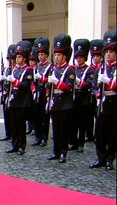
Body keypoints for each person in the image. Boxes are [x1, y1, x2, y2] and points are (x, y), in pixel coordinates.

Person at [90, 29, 117, 170]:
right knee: (100, 133)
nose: (108, 54)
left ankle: (110, 158)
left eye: (111, 52)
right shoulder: (100, 68)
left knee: (112, 134)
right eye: (107, 52)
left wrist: (109, 82)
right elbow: (93, 85)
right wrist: (97, 94)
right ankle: (100, 157)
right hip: (102, 104)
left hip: (114, 104)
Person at [47, 34, 75, 163]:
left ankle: (64, 152)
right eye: (55, 54)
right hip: (55, 102)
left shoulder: (70, 69)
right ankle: (56, 151)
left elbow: (68, 86)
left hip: (65, 103)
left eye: (59, 55)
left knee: (64, 130)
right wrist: (48, 97)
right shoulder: (53, 68)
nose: (56, 57)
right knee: (56, 129)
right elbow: (48, 86)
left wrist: (56, 82)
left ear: (64, 56)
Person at [5, 40, 33, 155]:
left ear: (24, 58)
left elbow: (26, 85)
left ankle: (22, 145)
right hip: (14, 100)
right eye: (16, 57)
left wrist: (15, 82)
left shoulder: (28, 69)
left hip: (22, 100)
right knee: (14, 123)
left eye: (20, 57)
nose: (17, 59)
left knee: (21, 124)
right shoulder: (15, 69)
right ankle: (14, 144)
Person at [69, 39, 95, 152]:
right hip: (74, 98)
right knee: (73, 122)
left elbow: (89, 83)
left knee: (82, 123)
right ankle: (73, 142)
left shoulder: (90, 69)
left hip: (83, 98)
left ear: (85, 57)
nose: (79, 59)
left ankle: (81, 143)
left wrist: (79, 81)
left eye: (81, 57)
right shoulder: (73, 68)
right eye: (77, 57)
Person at [32, 37, 52, 147]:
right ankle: (38, 137)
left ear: (46, 55)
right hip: (37, 93)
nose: (40, 57)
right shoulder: (36, 67)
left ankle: (44, 138)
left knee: (45, 118)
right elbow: (32, 82)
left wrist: (43, 79)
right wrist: (33, 90)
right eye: (39, 55)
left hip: (45, 93)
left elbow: (50, 81)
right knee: (37, 117)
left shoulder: (50, 67)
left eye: (42, 55)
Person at [87, 39, 105, 142]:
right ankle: (90, 135)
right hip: (92, 95)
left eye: (97, 56)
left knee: (99, 118)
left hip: (101, 96)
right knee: (90, 116)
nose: (95, 58)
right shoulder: (90, 68)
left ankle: (99, 135)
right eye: (94, 56)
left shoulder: (102, 68)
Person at [0, 44, 17, 141]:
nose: (11, 60)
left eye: (12, 58)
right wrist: (1, 89)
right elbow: (2, 82)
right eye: (9, 58)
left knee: (13, 117)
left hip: (13, 95)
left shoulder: (16, 69)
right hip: (6, 94)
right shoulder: (7, 69)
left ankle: (14, 135)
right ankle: (8, 133)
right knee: (6, 114)